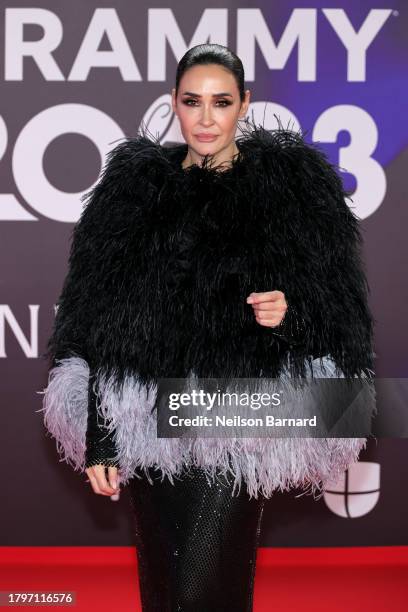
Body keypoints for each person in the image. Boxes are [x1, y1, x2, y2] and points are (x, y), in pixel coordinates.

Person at [39, 44, 376, 611]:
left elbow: (341, 322)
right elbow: (93, 320)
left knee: (205, 588)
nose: (205, 117)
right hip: (147, 419)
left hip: (236, 420)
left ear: (244, 105)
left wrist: (290, 316)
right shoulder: (132, 196)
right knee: (166, 590)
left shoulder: (292, 197)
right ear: (174, 104)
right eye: (192, 101)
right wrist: (101, 434)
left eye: (221, 102)